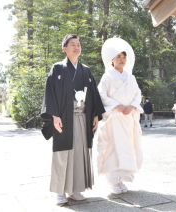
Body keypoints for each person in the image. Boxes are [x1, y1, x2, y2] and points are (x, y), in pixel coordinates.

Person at [40, 34, 105, 204]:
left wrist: (96, 114)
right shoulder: (58, 68)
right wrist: (54, 116)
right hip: (63, 118)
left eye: (78, 44)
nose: (77, 47)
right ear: (64, 48)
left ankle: (76, 189)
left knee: (80, 152)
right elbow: (50, 93)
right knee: (62, 154)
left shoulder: (86, 70)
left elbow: (93, 94)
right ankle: (60, 191)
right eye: (72, 44)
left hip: (83, 117)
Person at [97, 38, 144, 194]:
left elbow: (138, 94)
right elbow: (101, 95)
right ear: (112, 59)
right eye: (118, 57)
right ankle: (113, 182)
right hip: (114, 117)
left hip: (127, 117)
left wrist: (131, 106)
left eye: (124, 57)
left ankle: (122, 179)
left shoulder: (131, 77)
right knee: (112, 147)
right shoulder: (107, 77)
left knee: (127, 146)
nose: (122, 60)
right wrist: (117, 106)